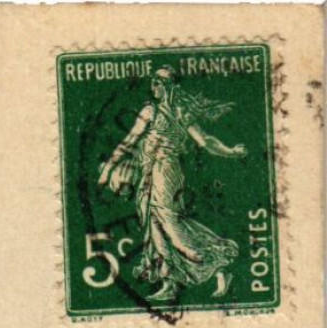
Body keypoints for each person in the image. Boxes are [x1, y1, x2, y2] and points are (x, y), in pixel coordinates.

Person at [98, 67, 248, 301]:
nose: (154, 86)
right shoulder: (149, 110)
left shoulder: (181, 112)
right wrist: (108, 169)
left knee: (169, 225)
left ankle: (217, 265)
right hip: (146, 173)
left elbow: (205, 141)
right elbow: (129, 141)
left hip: (167, 172)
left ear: (172, 86)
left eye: (159, 82)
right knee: (154, 226)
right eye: (153, 82)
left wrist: (231, 152)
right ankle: (170, 282)